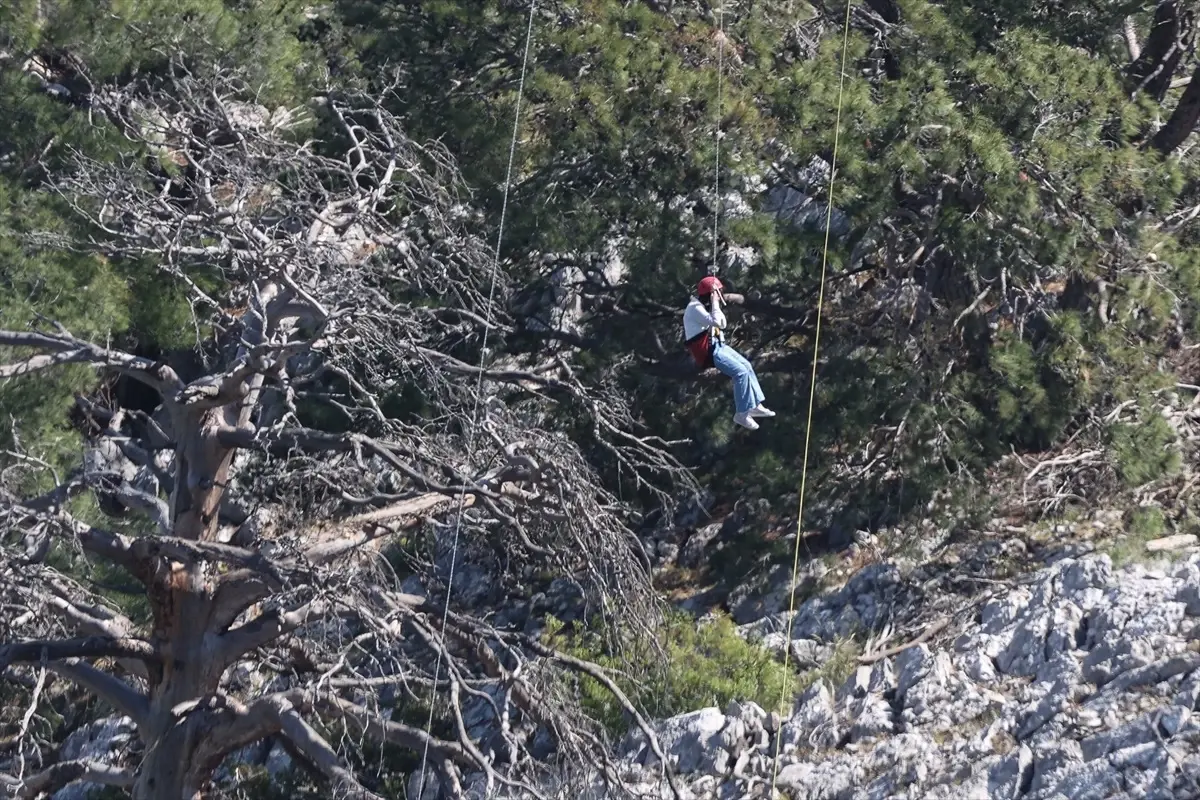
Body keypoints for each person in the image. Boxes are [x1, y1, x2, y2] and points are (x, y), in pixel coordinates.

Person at [682, 276, 775, 430]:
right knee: (740, 373)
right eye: (718, 293)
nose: (720, 296)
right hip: (707, 352)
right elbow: (720, 323)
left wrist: (714, 305)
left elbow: (722, 323)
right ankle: (741, 414)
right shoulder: (695, 308)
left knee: (747, 366)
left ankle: (755, 405)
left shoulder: (706, 305)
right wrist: (715, 304)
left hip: (717, 345)